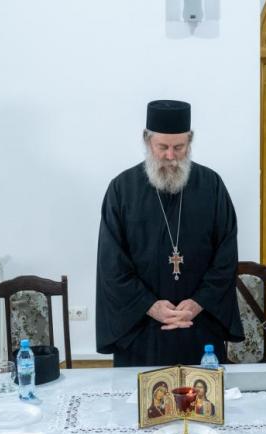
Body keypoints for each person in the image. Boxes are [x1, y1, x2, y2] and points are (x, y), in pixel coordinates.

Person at [96, 100, 243, 366]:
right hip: (142, 329)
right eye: (162, 147)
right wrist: (149, 306)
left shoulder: (211, 185)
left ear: (190, 141)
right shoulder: (122, 189)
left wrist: (198, 303)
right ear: (147, 141)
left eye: (179, 147)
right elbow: (112, 263)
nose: (171, 156)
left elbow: (226, 254)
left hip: (198, 324)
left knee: (202, 391)